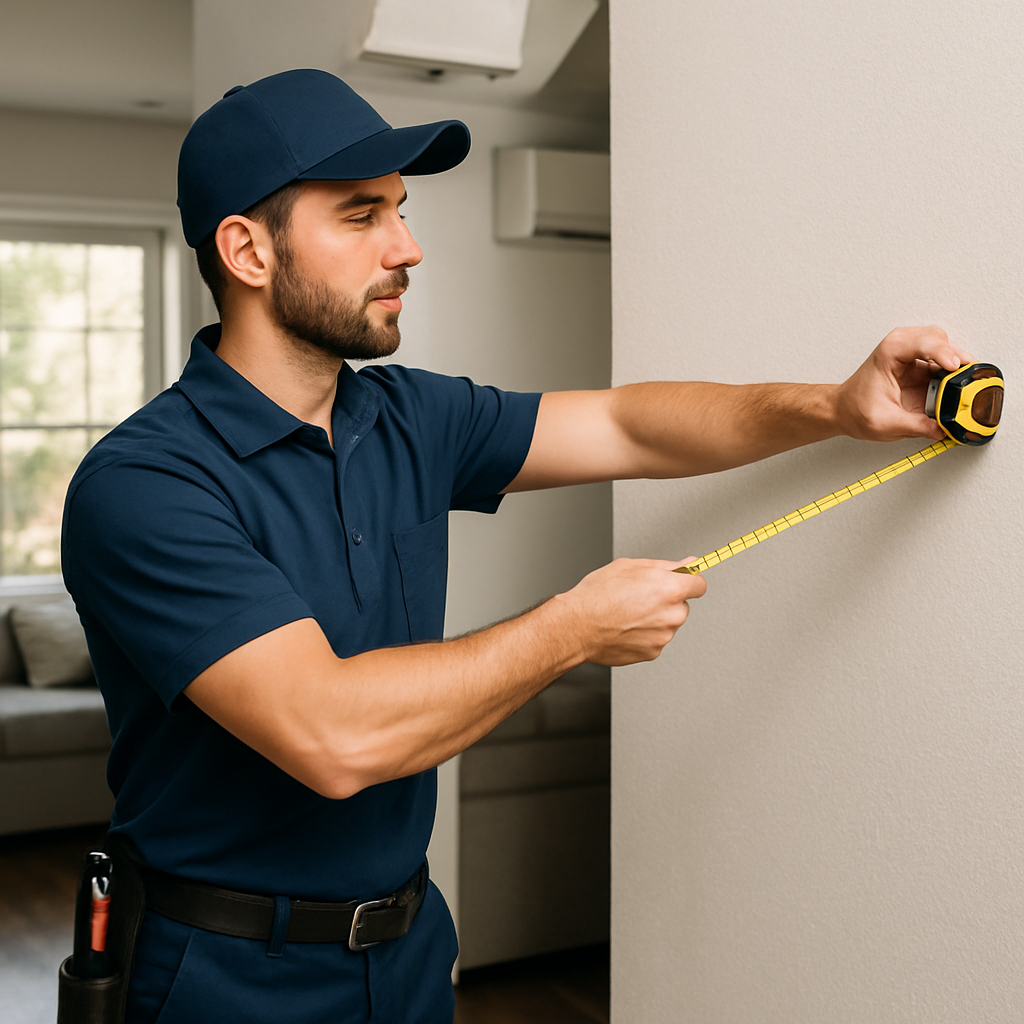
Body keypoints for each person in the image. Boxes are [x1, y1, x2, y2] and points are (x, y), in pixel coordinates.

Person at [60, 68, 971, 1024]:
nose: (408, 249)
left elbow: (630, 429)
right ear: (247, 250)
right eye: (363, 216)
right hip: (225, 978)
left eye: (401, 213)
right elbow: (331, 736)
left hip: (408, 953)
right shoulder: (145, 486)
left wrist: (834, 405)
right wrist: (572, 629)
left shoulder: (407, 417)